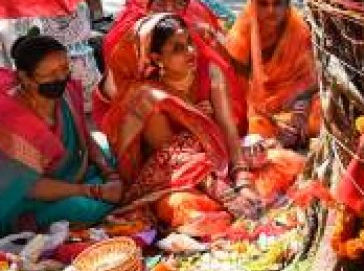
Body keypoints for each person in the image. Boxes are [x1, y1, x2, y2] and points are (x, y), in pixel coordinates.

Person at [102, 14, 303, 237]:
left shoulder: (210, 73)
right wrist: (228, 195)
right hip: (175, 181)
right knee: (181, 205)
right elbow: (175, 160)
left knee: (281, 162)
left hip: (220, 160)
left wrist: (242, 178)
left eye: (189, 42)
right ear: (156, 57)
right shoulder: (148, 98)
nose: (190, 51)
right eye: (177, 49)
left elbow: (227, 128)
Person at [0, 34, 122, 233]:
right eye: (50, 74)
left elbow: (85, 137)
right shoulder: (13, 120)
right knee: (81, 208)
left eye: (65, 69)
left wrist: (111, 175)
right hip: (33, 195)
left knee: (116, 152)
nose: (61, 78)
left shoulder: (66, 94)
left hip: (74, 175)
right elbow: (31, 186)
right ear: (25, 78)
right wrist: (95, 191)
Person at [94, 0, 246, 132]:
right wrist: (183, 109)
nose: (170, 9)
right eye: (161, 2)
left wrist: (202, 109)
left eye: (178, 2)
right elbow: (121, 97)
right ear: (148, 5)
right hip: (142, 125)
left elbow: (213, 86)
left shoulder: (191, 38)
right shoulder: (128, 41)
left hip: (188, 122)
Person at [225, 0, 321, 149]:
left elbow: (309, 81)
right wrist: (276, 125)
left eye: (277, 3)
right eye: (263, 4)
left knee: (325, 108)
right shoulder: (240, 37)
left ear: (287, 5)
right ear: (253, 5)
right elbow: (238, 91)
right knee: (251, 125)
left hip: (294, 98)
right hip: (257, 105)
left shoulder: (299, 30)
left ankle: (295, 132)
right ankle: (288, 135)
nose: (271, 11)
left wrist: (301, 110)